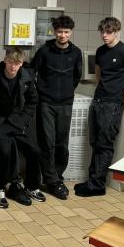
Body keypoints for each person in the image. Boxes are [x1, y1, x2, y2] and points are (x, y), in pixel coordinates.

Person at [75, 17, 124, 197]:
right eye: (102, 32)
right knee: (95, 142)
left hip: (112, 104)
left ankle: (97, 186)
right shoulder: (101, 51)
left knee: (104, 144)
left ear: (116, 32)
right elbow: (99, 73)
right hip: (98, 100)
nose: (104, 35)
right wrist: (101, 90)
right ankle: (92, 181)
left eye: (108, 32)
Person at [0, 47, 44, 209]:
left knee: (34, 150)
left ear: (21, 64)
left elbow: (33, 101)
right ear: (5, 60)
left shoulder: (26, 78)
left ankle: (31, 186)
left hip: (17, 121)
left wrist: (24, 120)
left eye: (17, 63)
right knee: (5, 152)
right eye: (10, 62)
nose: (13, 66)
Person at [31, 16, 82, 200]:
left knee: (62, 144)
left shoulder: (76, 52)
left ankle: (57, 177)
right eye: (59, 31)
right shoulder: (44, 50)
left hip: (66, 103)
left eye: (66, 32)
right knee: (47, 142)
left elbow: (77, 76)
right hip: (46, 103)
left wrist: (66, 92)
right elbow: (32, 72)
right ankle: (51, 180)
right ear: (54, 32)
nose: (63, 35)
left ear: (71, 32)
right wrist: (40, 93)